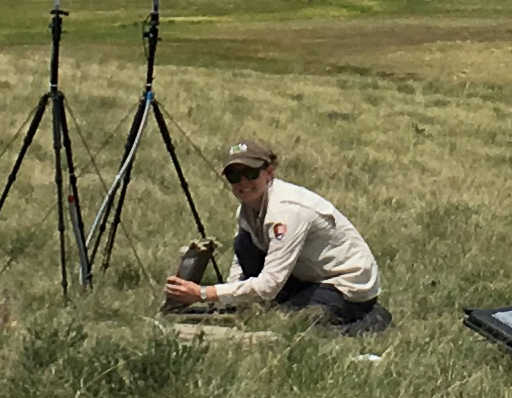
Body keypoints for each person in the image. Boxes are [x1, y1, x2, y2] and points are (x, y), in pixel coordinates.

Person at [165, 139, 389, 332]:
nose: (243, 183)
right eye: (234, 176)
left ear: (269, 173)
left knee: (290, 326)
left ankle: (373, 319)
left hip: (345, 284)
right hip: (306, 276)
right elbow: (240, 259)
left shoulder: (287, 211)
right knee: (244, 244)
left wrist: (204, 293)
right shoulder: (247, 209)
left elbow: (268, 285)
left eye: (251, 173)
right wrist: (231, 300)